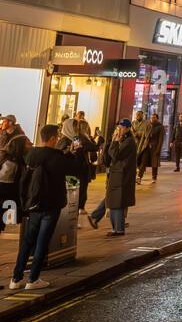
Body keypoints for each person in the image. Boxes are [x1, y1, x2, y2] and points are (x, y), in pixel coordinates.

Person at [9, 124, 81, 290]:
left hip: (33, 204)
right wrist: (76, 152)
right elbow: (75, 170)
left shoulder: (31, 155)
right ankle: (33, 279)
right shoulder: (55, 157)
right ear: (52, 139)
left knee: (27, 241)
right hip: (50, 205)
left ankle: (16, 278)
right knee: (42, 242)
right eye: (56, 136)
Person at [97, 120, 136, 236]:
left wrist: (114, 141)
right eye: (118, 127)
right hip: (117, 174)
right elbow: (108, 157)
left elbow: (116, 154)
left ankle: (118, 229)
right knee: (113, 201)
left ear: (128, 128)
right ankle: (116, 228)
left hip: (122, 175)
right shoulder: (123, 139)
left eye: (122, 127)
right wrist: (112, 140)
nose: (119, 129)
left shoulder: (129, 141)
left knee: (117, 202)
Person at [0, 132, 30, 234]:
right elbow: (4, 186)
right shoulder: (11, 164)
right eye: (28, 143)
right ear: (20, 146)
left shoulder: (16, 161)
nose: (31, 144)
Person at [140, 113, 165, 182]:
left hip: (155, 147)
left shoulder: (160, 127)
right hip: (146, 146)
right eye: (151, 117)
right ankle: (139, 177)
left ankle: (154, 177)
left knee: (154, 164)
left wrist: (158, 149)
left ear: (157, 118)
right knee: (143, 162)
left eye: (154, 117)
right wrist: (141, 146)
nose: (152, 118)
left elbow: (161, 139)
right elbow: (143, 137)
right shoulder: (148, 125)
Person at [132, 110, 151, 182]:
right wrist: (134, 135)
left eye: (139, 114)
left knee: (143, 162)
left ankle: (139, 176)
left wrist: (139, 134)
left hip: (144, 145)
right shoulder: (133, 123)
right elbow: (131, 132)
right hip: (135, 145)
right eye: (137, 114)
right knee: (136, 161)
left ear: (142, 115)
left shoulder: (147, 123)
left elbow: (147, 134)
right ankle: (135, 174)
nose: (138, 116)